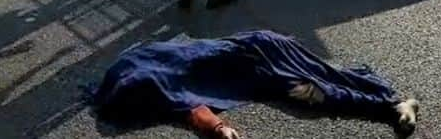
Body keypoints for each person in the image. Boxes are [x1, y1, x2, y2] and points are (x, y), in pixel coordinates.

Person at [90, 30, 420, 139]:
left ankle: (390, 104)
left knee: (313, 90)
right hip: (254, 45)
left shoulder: (147, 82)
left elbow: (191, 109)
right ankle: (390, 101)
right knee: (320, 76)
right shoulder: (131, 63)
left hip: (257, 59)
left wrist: (220, 129)